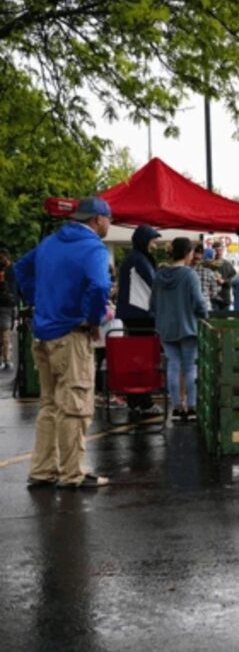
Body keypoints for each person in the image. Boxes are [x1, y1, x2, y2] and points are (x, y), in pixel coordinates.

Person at [15, 197, 113, 489]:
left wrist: (38, 301)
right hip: (71, 335)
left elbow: (21, 269)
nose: (110, 223)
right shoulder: (93, 247)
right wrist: (93, 318)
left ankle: (43, 470)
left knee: (49, 405)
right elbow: (99, 286)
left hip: (43, 333)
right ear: (97, 219)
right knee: (75, 405)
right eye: (109, 218)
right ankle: (73, 473)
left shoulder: (50, 242)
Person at [150, 237, 209, 420]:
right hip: (188, 326)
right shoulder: (190, 275)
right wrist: (204, 314)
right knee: (190, 368)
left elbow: (152, 304)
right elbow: (199, 302)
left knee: (173, 367)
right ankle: (191, 407)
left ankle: (176, 407)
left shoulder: (159, 275)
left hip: (165, 328)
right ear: (187, 253)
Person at [115, 224, 162, 416]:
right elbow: (154, 284)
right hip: (141, 314)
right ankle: (144, 402)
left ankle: (135, 401)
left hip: (133, 315)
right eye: (152, 241)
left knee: (136, 361)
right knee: (143, 361)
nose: (155, 245)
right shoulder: (139, 260)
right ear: (144, 241)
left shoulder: (133, 258)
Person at [0, 248, 17, 370]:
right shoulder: (10, 270)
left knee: (6, 333)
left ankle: (6, 359)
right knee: (5, 333)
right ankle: (6, 359)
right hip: (5, 305)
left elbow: (17, 286)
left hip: (8, 305)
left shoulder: (12, 270)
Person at [209, 241, 236, 311]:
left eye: (220, 250)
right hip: (213, 297)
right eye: (216, 250)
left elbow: (234, 278)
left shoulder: (228, 264)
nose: (218, 252)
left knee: (225, 320)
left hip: (225, 296)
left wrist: (224, 281)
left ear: (223, 250)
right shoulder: (209, 264)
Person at [192, 243, 219, 310]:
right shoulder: (209, 272)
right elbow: (214, 293)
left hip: (190, 307)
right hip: (205, 306)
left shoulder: (186, 272)